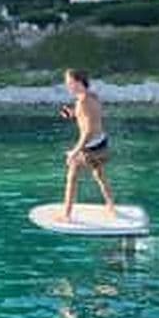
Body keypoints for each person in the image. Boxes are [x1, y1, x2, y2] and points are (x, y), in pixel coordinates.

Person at [60, 68, 117, 221]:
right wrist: (73, 114)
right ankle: (111, 207)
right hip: (102, 143)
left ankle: (66, 215)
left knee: (71, 177)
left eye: (69, 82)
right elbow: (91, 118)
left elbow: (88, 131)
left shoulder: (83, 101)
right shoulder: (92, 96)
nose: (67, 86)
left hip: (91, 147)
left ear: (78, 82)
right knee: (99, 175)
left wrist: (74, 152)